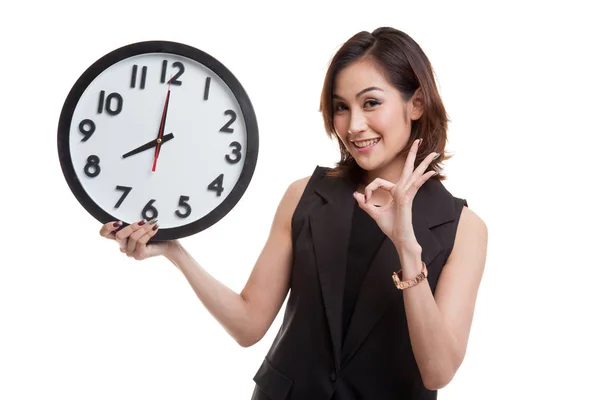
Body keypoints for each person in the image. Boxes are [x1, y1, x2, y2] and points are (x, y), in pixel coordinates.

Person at [99, 27, 488, 400]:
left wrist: (407, 248)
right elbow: (249, 325)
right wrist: (175, 252)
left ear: (416, 103)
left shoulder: (463, 228)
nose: (353, 126)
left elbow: (438, 372)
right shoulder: (304, 195)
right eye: (341, 107)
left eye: (371, 102)